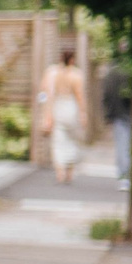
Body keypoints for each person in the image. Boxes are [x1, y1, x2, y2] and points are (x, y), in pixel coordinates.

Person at [36, 46, 86, 185]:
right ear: (72, 59)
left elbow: (44, 93)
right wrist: (83, 113)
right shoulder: (76, 75)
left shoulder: (52, 73)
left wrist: (46, 113)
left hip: (58, 106)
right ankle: (69, 171)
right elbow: (80, 96)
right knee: (72, 140)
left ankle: (60, 171)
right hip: (71, 107)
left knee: (58, 141)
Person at [99, 58, 131, 186]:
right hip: (130, 113)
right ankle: (126, 174)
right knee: (128, 145)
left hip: (119, 114)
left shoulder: (111, 73)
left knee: (122, 145)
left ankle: (123, 175)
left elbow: (106, 95)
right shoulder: (131, 71)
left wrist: (108, 114)